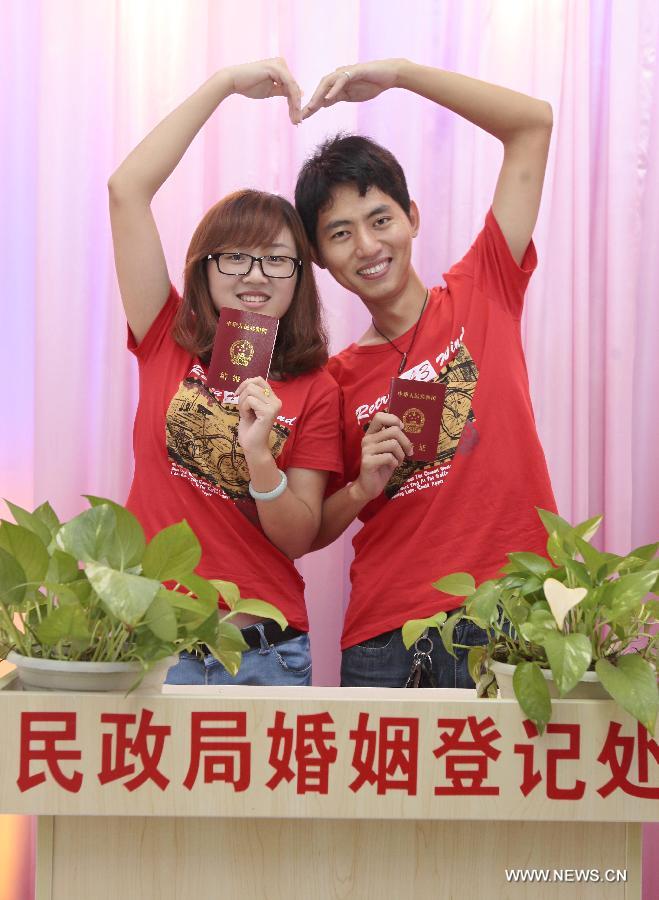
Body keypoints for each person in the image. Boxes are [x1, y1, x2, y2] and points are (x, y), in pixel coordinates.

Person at [294, 58, 557, 688]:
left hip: (513, 615)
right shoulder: (330, 380)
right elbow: (310, 529)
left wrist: (403, 76)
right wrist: (361, 486)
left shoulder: (484, 287)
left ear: (412, 216)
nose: (367, 246)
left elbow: (532, 126)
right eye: (340, 233)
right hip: (387, 639)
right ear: (320, 258)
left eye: (380, 219)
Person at [108, 59, 342, 686]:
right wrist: (221, 86)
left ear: (300, 278)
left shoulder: (316, 387)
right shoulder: (164, 340)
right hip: (151, 645)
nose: (256, 275)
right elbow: (126, 188)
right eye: (235, 256)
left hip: (267, 653)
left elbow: (297, 537)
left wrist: (260, 454)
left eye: (277, 260)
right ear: (205, 269)